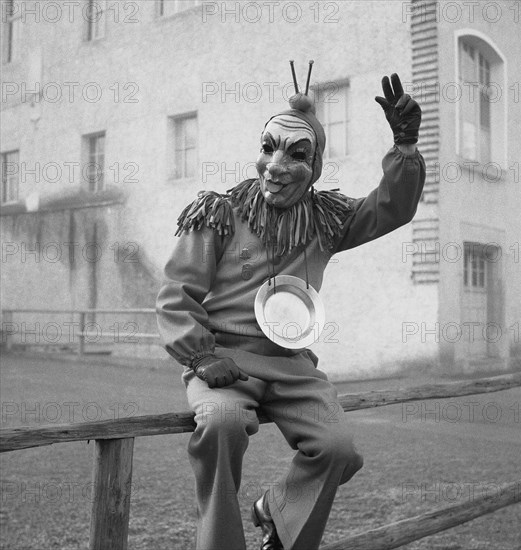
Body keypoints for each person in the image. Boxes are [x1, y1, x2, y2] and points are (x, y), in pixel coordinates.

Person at [156, 66, 425, 550]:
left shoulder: (327, 220)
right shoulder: (218, 211)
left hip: (292, 367)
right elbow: (177, 292)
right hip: (223, 364)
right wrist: (200, 355)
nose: (275, 166)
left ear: (316, 166)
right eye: (267, 148)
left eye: (295, 154)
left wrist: (405, 151)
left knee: (338, 448)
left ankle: (276, 512)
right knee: (221, 424)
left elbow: (391, 208)